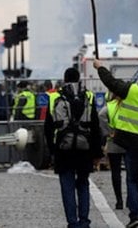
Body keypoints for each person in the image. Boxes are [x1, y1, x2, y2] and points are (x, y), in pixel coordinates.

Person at [93, 59, 138, 228]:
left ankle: (135, 217)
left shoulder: (132, 90)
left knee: (132, 181)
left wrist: (100, 67)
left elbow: (111, 82)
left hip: (132, 145)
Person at [44, 68, 102, 228]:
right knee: (83, 184)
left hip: (63, 149)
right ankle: (84, 221)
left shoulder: (54, 97)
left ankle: (72, 222)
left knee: (67, 187)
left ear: (64, 79)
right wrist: (97, 152)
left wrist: (52, 151)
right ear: (79, 79)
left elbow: (48, 129)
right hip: (85, 149)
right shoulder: (88, 96)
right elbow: (95, 127)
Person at [99, 92, 126, 210]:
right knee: (131, 174)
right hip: (128, 142)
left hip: (113, 142)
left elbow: (100, 116)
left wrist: (107, 132)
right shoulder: (128, 106)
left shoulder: (108, 107)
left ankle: (119, 200)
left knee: (116, 172)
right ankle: (131, 199)